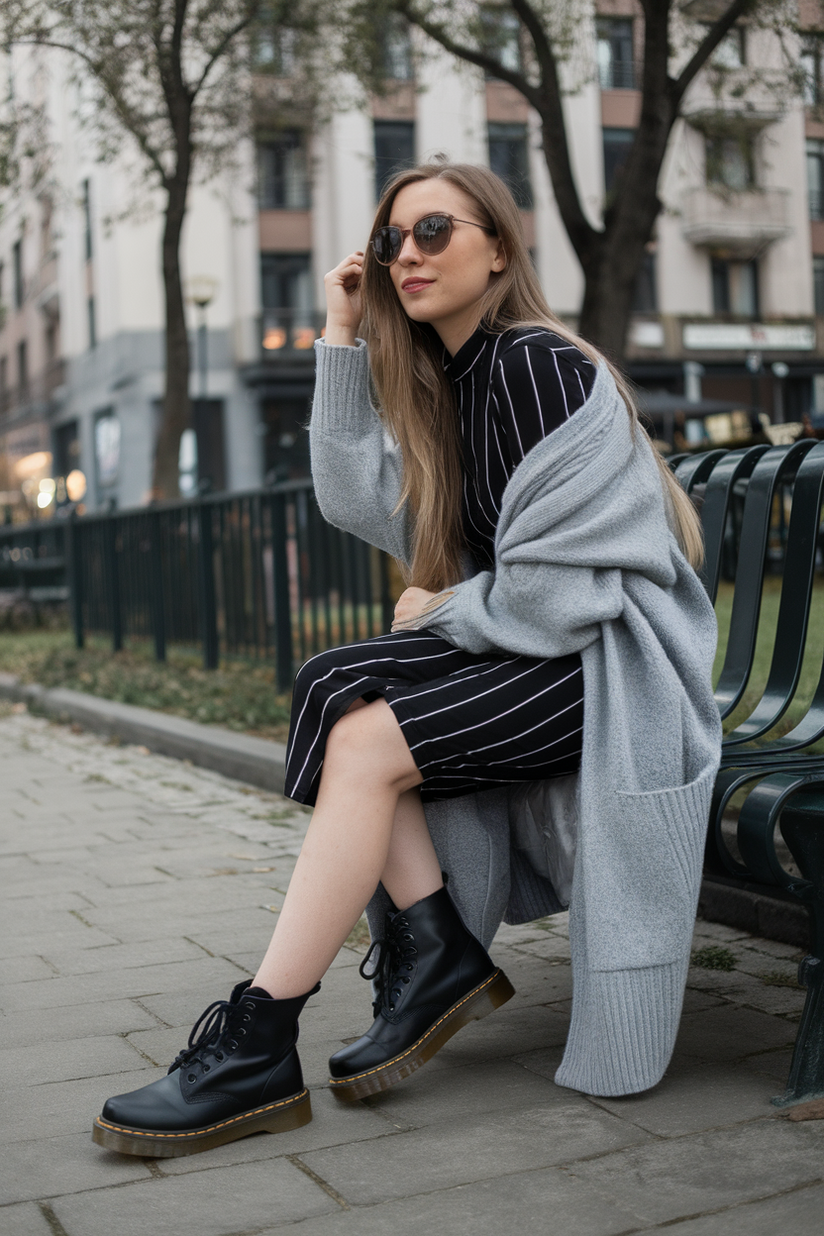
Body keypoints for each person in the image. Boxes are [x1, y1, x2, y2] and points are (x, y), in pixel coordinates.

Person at [93, 163, 721, 1158]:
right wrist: (340, 340)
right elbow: (360, 502)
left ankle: (274, 1026)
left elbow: (561, 595)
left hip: (609, 671)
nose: (407, 255)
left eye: (433, 229)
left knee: (366, 730)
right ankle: (424, 958)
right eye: (391, 241)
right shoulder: (452, 384)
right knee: (334, 688)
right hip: (542, 654)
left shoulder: (535, 366)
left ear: (499, 246)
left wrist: (441, 605)